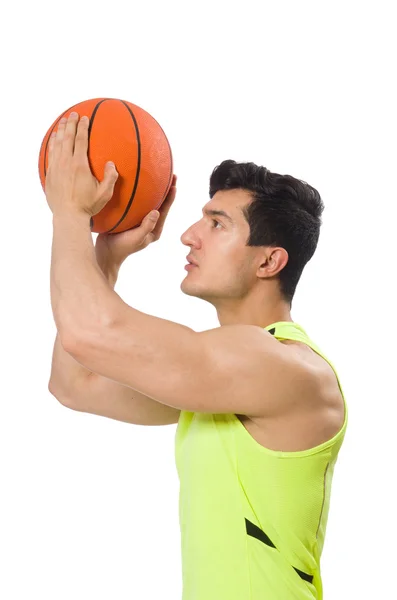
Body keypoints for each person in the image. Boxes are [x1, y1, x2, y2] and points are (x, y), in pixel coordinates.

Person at [47, 113, 347, 600]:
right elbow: (74, 383)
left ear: (269, 261)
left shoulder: (283, 367)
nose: (189, 235)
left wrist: (69, 214)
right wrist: (106, 258)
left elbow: (89, 332)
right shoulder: (222, 384)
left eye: (217, 223)